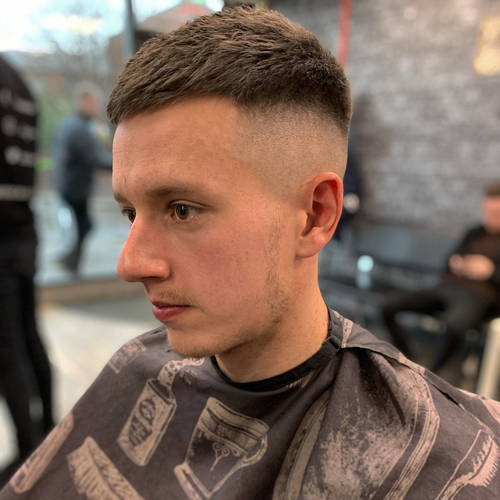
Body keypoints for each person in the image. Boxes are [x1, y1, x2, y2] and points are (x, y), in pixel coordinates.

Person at [1, 7, 499, 499]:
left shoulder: (453, 458)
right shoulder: (136, 366)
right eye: (131, 212)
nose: (129, 265)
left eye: (182, 210)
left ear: (315, 214)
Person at [0, 55, 54, 484]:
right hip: (24, 223)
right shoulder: (18, 80)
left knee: (6, 346)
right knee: (28, 332)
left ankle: (27, 450)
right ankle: (49, 430)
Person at [382, 183, 500, 377]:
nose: (489, 218)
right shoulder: (475, 232)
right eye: (486, 212)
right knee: (388, 305)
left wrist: (490, 272)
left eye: (495, 214)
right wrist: (457, 263)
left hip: (480, 295)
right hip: (448, 287)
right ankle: (408, 359)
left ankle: (432, 374)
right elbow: (448, 261)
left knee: (454, 325)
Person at [53, 82, 112, 273]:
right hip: (75, 188)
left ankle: (70, 259)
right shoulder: (79, 128)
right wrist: (122, 164)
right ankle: (71, 262)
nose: (97, 107)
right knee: (85, 225)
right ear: (84, 101)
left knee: (82, 226)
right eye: (95, 102)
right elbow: (94, 158)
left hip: (68, 185)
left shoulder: (72, 124)